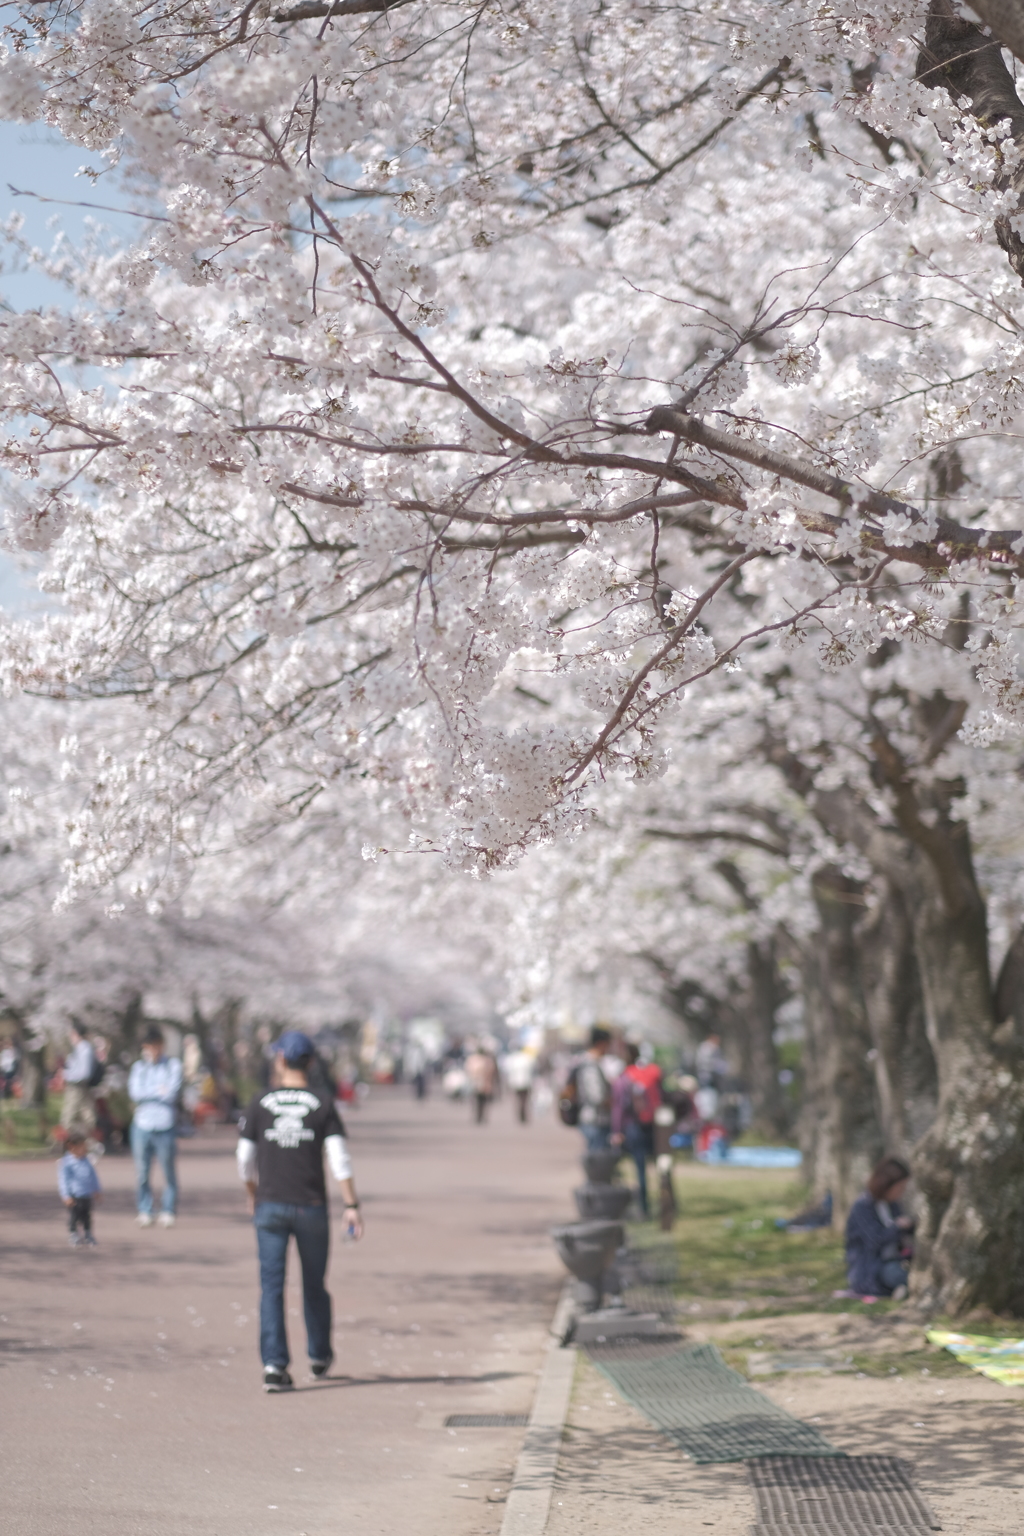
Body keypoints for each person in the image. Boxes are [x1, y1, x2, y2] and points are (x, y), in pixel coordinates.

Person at [237, 1029, 363, 1393]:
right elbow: (340, 1159)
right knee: (314, 1284)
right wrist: (351, 1205)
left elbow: (244, 1160)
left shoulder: (259, 1103)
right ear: (310, 1062)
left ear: (279, 1060)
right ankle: (319, 1354)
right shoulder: (323, 1103)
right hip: (311, 1206)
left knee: (271, 1287)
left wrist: (252, 1193)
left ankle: (275, 1365)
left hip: (270, 1204)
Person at [128, 1026, 184, 1228]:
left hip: (165, 1124)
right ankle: (145, 1209)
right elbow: (135, 1093)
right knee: (142, 1171)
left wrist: (152, 1093)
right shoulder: (139, 1068)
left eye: (157, 1046)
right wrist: (158, 1091)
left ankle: (168, 1209)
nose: (154, 1050)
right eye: (150, 1046)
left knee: (168, 1170)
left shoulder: (173, 1065)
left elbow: (172, 1093)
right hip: (142, 1124)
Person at [845, 1155, 914, 1300]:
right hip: (870, 1269)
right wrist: (897, 1227)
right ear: (886, 1184)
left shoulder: (892, 1205)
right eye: (900, 1187)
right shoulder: (862, 1207)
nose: (902, 1192)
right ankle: (903, 1287)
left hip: (893, 1260)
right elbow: (875, 1240)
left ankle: (902, 1288)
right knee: (895, 1274)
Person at [611, 1044, 662, 1217]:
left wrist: (617, 1131)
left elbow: (619, 1107)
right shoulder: (652, 1073)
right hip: (653, 1125)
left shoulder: (624, 1078)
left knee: (640, 1169)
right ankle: (667, 1205)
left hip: (634, 1126)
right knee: (661, 1167)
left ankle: (644, 1207)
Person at [58, 1128, 102, 1247]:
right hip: (74, 1195)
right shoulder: (67, 1163)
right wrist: (66, 1195)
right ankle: (74, 1234)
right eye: (83, 1146)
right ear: (72, 1147)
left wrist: (96, 1190)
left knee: (87, 1216)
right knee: (74, 1217)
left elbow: (93, 1176)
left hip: (86, 1195)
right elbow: (63, 1180)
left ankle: (88, 1234)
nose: (86, 1149)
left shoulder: (86, 1160)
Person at [577, 1026, 615, 1152]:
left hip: (594, 1118)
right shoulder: (590, 1064)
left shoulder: (591, 1062)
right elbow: (596, 1096)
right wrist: (611, 1102)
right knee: (597, 1160)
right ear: (601, 1043)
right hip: (595, 1119)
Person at [62, 1020, 98, 1133]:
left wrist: (67, 1075)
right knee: (87, 1114)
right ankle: (87, 1139)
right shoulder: (78, 1049)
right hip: (77, 1086)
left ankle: (82, 1139)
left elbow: (84, 1073)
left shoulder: (84, 1048)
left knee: (70, 1116)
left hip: (78, 1086)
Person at [465, 1043, 498, 1124]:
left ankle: (479, 1116)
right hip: (481, 1083)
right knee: (480, 1101)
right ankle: (480, 1116)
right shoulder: (486, 1060)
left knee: (479, 1101)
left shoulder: (473, 1059)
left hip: (479, 1083)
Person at [503, 1047, 535, 1123]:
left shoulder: (512, 1059)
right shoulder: (527, 1058)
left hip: (516, 1083)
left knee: (518, 1100)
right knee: (524, 1100)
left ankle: (520, 1114)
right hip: (525, 1082)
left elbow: (508, 1071)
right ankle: (523, 1114)